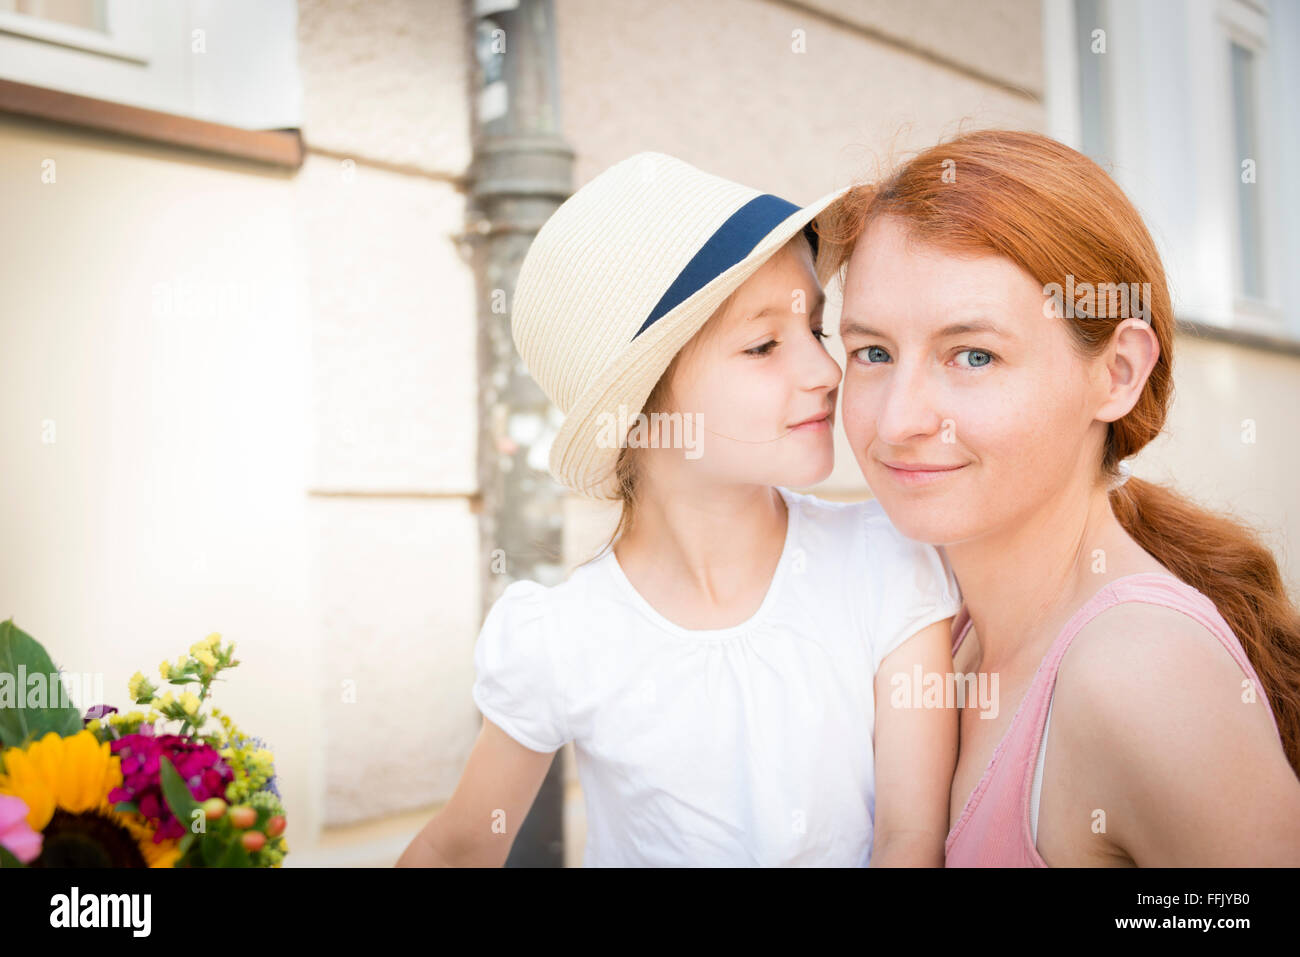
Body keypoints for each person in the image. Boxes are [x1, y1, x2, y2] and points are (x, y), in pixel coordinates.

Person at [397, 152, 962, 867]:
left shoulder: (885, 561)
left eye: (814, 331)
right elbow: (457, 848)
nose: (825, 372)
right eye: (763, 345)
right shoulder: (567, 636)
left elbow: (910, 840)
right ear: (640, 416)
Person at [816, 128, 1300, 866]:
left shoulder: (1144, 672)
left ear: (1117, 373)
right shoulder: (933, 619)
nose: (897, 420)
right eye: (873, 352)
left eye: (973, 355)